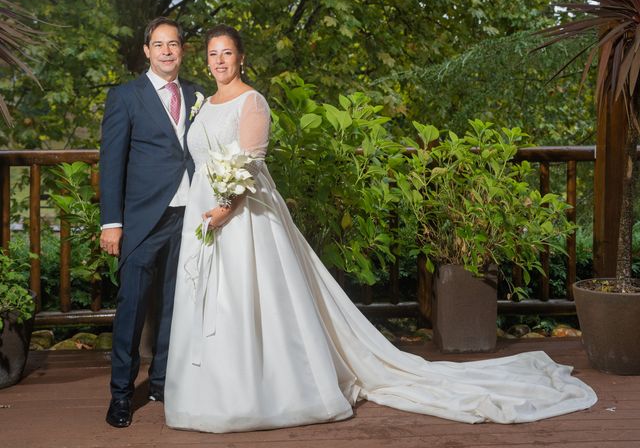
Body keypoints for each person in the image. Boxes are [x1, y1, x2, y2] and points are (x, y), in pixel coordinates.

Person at [164, 25, 597, 433]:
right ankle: (208, 391)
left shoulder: (251, 101)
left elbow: (251, 166)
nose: (219, 61)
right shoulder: (204, 103)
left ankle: (258, 392)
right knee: (209, 301)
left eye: (227, 53)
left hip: (242, 219)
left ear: (241, 57)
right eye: (212, 54)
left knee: (243, 300)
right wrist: (206, 207)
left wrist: (225, 208)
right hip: (204, 214)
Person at [100, 17, 204, 428]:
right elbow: (112, 163)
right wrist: (112, 222)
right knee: (132, 307)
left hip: (190, 215)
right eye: (158, 44)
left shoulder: (198, 95)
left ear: (181, 50)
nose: (166, 51)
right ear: (146, 51)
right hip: (143, 220)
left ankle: (162, 380)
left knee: (177, 306)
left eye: (173, 44)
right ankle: (121, 395)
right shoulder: (126, 97)